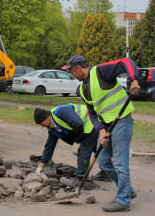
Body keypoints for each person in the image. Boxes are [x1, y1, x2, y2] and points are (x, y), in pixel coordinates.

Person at [63, 55, 140, 213]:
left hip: (122, 121)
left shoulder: (101, 71)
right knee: (104, 161)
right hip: (107, 126)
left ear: (78, 68)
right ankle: (127, 190)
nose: (71, 75)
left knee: (119, 163)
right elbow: (92, 114)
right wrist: (102, 131)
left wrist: (134, 79)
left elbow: (126, 62)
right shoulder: (83, 89)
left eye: (71, 71)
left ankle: (123, 200)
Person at [34, 104, 98, 183]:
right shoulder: (52, 128)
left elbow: (78, 123)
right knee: (97, 149)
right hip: (83, 129)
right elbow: (50, 145)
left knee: (83, 151)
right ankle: (106, 171)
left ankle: (81, 179)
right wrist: (41, 164)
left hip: (90, 122)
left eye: (41, 123)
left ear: (46, 117)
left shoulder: (60, 112)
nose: (42, 126)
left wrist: (77, 142)